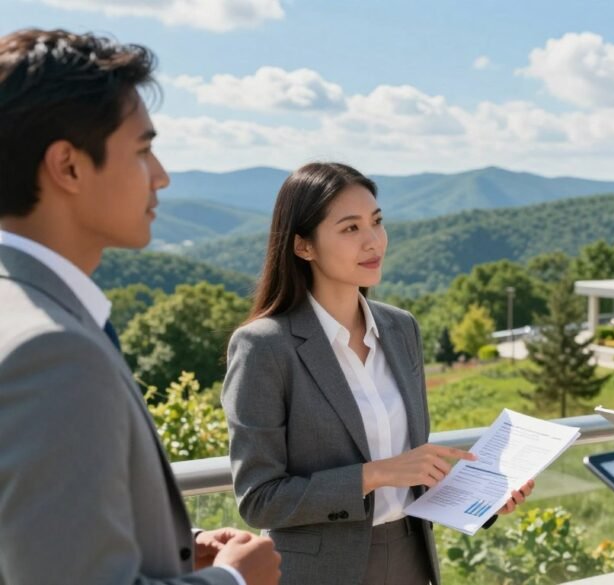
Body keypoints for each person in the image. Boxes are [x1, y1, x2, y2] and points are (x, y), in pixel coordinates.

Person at [0, 29, 280, 585]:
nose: (162, 176)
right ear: (69, 167)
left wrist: (178, 547)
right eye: (143, 149)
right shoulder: (53, 352)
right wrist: (234, 580)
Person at [222, 162, 534, 585]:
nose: (373, 241)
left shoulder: (400, 328)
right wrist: (376, 473)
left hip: (410, 557)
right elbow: (260, 500)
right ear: (303, 246)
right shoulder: (264, 346)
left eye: (377, 222)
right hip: (318, 573)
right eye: (350, 228)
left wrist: (480, 497)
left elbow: (412, 469)